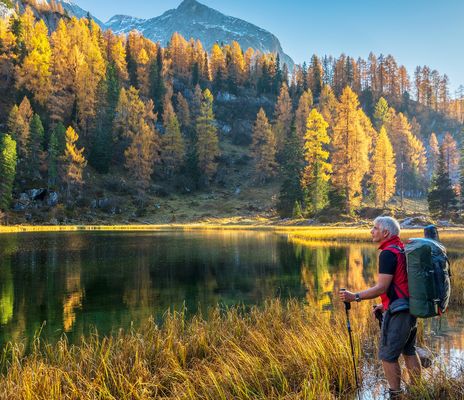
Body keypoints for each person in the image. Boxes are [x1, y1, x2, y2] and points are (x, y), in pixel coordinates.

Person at [339, 216, 421, 399]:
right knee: (409, 351)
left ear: (385, 233)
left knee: (388, 356)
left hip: (399, 313)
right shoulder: (401, 249)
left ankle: (395, 394)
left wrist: (355, 297)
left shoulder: (388, 253)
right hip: (410, 309)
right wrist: (384, 305)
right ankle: (417, 392)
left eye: (374, 228)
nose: (371, 231)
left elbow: (381, 287)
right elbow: (401, 284)